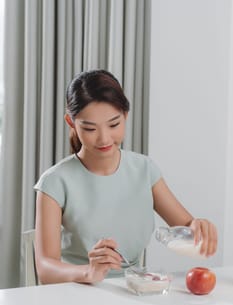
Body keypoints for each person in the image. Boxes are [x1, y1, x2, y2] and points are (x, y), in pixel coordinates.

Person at [34, 69, 218, 285]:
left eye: (114, 125)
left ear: (126, 115)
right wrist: (87, 272)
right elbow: (45, 268)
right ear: (71, 122)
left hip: (133, 289)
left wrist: (199, 227)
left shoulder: (144, 170)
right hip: (74, 292)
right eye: (90, 128)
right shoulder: (55, 182)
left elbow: (186, 227)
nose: (104, 138)